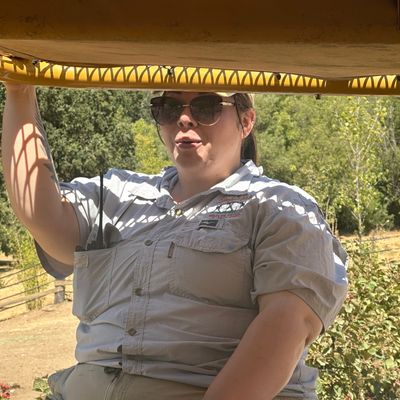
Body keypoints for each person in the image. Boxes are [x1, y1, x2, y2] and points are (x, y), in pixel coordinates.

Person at [1, 82, 348, 400]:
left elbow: (288, 324)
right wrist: (19, 91)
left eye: (206, 107)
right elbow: (40, 213)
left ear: (246, 121)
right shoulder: (118, 193)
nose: (183, 119)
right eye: (167, 108)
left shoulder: (280, 207)